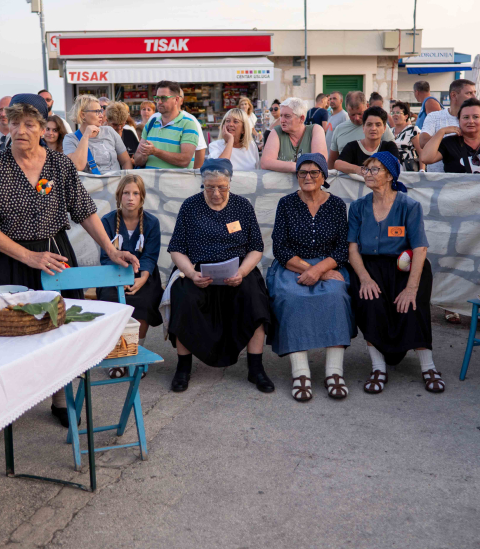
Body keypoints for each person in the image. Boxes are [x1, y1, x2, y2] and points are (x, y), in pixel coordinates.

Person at [0, 93, 139, 425]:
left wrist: (112, 249)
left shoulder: (59, 164)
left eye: (29, 123)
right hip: (6, 257)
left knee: (56, 329)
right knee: (2, 334)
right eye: (14, 122)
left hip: (54, 256)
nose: (20, 130)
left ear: (45, 126)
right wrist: (28, 256)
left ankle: (60, 399)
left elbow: (85, 211)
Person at [165, 158, 274, 393]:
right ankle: (183, 368)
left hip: (236, 270)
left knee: (255, 298)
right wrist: (191, 274)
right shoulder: (190, 206)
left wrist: (242, 272)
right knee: (183, 298)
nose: (216, 192)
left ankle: (256, 368)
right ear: (202, 184)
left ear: (230, 184)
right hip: (198, 271)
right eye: (210, 187)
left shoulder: (242, 206)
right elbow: (176, 248)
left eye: (221, 187)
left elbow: (256, 246)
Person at [347, 152, 443, 394]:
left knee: (413, 306)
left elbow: (420, 248)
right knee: (370, 304)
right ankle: (378, 368)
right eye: (365, 169)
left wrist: (411, 288)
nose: (367, 174)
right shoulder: (358, 207)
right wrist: (364, 278)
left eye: (374, 169)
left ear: (389, 175)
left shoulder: (409, 206)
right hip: (369, 267)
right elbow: (352, 248)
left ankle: (428, 367)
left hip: (406, 266)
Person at [267, 153, 354, 401]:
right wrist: (309, 269)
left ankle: (334, 372)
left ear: (323, 176)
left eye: (314, 172)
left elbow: (341, 248)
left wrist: (321, 271)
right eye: (302, 172)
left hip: (328, 264)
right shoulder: (286, 203)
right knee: (291, 296)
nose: (308, 177)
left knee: (336, 295)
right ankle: (301, 373)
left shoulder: (336, 205)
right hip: (293, 265)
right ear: (296, 176)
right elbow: (280, 248)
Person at [95, 175, 163, 363]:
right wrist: (121, 280)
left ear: (142, 197)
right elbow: (105, 257)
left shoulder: (152, 223)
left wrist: (141, 278)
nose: (130, 198)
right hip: (114, 275)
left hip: (144, 276)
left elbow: (150, 256)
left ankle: (136, 351)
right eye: (126, 193)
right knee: (111, 301)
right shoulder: (107, 221)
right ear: (119, 196)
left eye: (135, 193)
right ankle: (115, 352)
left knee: (143, 302)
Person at [418, 98, 480, 174]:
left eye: (475, 117)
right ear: (459, 120)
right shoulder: (449, 142)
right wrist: (441, 132)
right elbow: (426, 158)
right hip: (457, 194)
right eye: (466, 117)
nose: (470, 121)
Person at [134, 80, 204, 169]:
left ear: (177, 100)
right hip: (150, 182)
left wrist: (155, 152)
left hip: (176, 182)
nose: (159, 102)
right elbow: (137, 160)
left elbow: (185, 160)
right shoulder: (151, 123)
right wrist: (143, 156)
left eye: (163, 98)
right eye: (157, 98)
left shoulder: (188, 124)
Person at [416, 79, 478, 172]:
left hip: (468, 179)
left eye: (474, 93)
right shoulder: (434, 117)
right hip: (436, 179)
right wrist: (443, 132)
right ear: (453, 95)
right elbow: (423, 142)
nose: (474, 97)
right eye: (469, 93)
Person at [64, 95, 133, 174]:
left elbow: (126, 161)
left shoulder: (109, 131)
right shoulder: (70, 139)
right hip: (91, 186)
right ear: (82, 115)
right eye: (97, 112)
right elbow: (78, 166)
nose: (101, 115)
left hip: (115, 184)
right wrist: (85, 136)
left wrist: (125, 181)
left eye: (101, 111)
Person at [261, 97, 328, 172]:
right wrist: (296, 166)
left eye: (287, 116)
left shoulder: (315, 130)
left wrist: (283, 165)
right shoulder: (276, 132)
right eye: (281, 116)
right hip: (282, 183)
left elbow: (319, 161)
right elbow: (265, 162)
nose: (282, 120)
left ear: (302, 118)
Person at [334, 107, 401, 175]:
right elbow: (338, 164)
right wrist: (358, 169)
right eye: (369, 124)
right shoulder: (352, 146)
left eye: (378, 125)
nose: (373, 128)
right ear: (363, 127)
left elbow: (395, 165)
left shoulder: (389, 147)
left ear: (384, 128)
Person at [326, 91, 368, 165]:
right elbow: (332, 161)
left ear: (367, 106)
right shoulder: (339, 129)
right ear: (347, 109)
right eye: (352, 114)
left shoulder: (378, 126)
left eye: (360, 113)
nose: (357, 118)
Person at [389, 100, 421, 170]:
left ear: (406, 116)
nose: (394, 115)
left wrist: (422, 170)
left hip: (408, 169)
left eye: (398, 113)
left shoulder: (412, 130)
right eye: (393, 113)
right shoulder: (389, 131)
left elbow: (421, 153)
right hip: (392, 168)